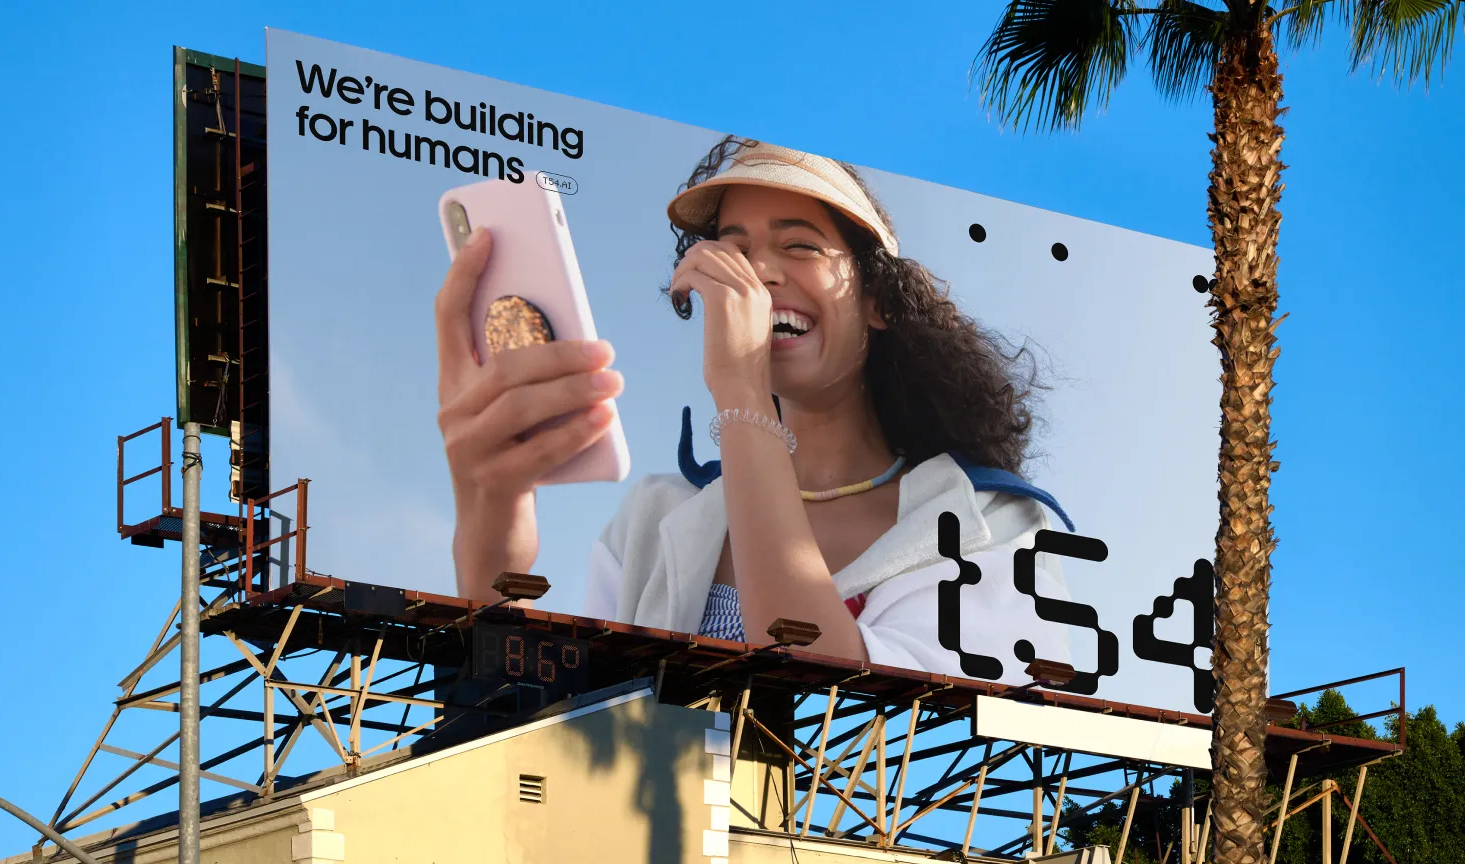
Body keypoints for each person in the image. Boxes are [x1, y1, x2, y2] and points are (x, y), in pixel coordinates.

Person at [435, 137, 1074, 679]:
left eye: (799, 246)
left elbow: (854, 725)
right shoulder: (654, 517)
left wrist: (740, 389)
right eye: (732, 250)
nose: (757, 273)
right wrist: (491, 517)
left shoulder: (993, 525)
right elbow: (547, 728)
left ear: (878, 299)